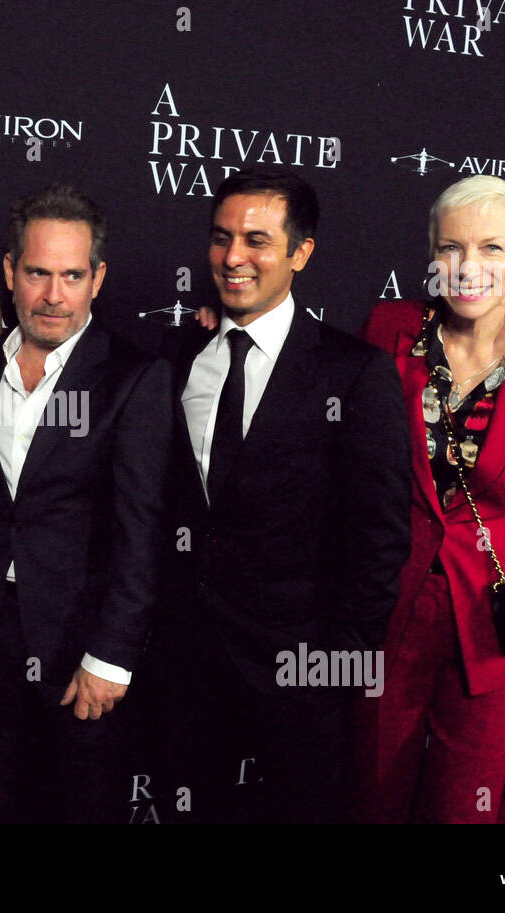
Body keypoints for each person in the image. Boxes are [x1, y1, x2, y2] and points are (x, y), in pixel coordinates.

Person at [151, 167, 411, 823]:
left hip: (303, 669)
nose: (233, 257)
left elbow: (379, 535)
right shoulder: (180, 353)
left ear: (301, 252)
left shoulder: (353, 372)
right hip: (189, 661)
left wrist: (337, 666)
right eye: (221, 237)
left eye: (257, 240)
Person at [353, 175, 505, 823]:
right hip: (392, 608)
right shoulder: (389, 329)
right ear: (432, 255)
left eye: (492, 248)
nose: (469, 268)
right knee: (371, 794)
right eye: (451, 248)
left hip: (503, 623)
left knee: (464, 807)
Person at [0, 184, 173, 824]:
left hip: (79, 647)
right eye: (37, 273)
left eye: (72, 275)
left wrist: (109, 656)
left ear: (97, 278)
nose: (54, 295)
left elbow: (143, 532)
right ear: (9, 271)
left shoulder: (133, 377)